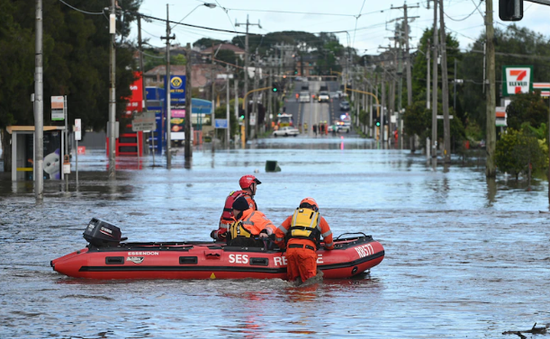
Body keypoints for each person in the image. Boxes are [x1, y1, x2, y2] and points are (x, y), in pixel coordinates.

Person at [274, 197, 334, 283]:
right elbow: (328, 238)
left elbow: (278, 233)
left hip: (290, 251)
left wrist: (282, 246)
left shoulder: (293, 217)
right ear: (314, 208)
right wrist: (329, 248)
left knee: (292, 282)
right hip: (307, 251)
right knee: (309, 283)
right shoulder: (318, 218)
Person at [211, 175, 261, 242]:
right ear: (251, 186)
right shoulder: (248, 201)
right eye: (255, 186)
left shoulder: (232, 196)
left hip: (223, 234)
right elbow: (253, 220)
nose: (256, 188)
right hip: (236, 237)